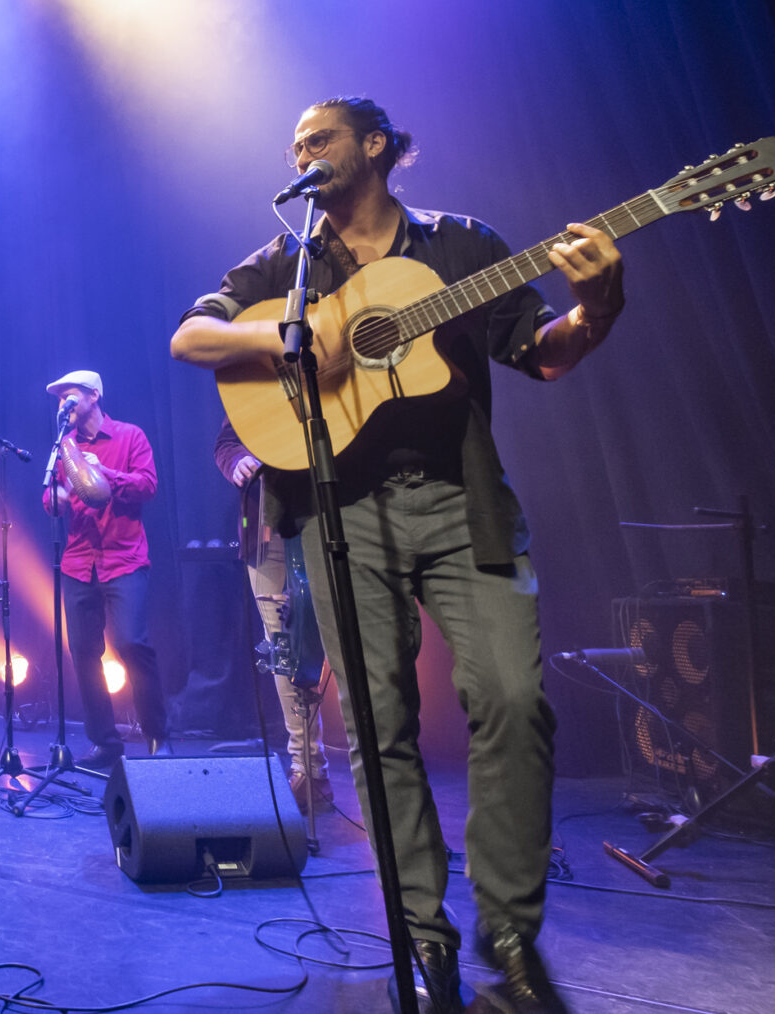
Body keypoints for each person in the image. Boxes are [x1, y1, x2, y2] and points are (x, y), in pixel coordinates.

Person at [170, 97, 623, 1014]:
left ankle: (510, 932)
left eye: (320, 139)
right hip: (339, 511)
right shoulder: (290, 264)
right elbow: (191, 335)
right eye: (294, 143)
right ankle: (424, 937)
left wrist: (599, 303)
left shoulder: (460, 246)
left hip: (462, 505)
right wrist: (290, 336)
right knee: (379, 734)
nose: (302, 153)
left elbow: (541, 353)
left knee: (514, 700)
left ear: (375, 146)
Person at [40, 370, 166, 768]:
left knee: (131, 643)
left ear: (95, 395)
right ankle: (105, 742)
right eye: (59, 399)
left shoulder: (130, 436)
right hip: (78, 562)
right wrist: (53, 499)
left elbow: (147, 486)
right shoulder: (65, 447)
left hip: (123, 558)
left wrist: (103, 472)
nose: (64, 404)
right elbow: (51, 493)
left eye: (70, 396)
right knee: (83, 652)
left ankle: (158, 736)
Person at [214, 417, 334, 814]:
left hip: (323, 520)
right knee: (282, 648)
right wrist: (237, 463)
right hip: (267, 530)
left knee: (328, 641)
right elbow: (227, 442)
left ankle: (361, 766)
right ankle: (307, 767)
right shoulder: (254, 377)